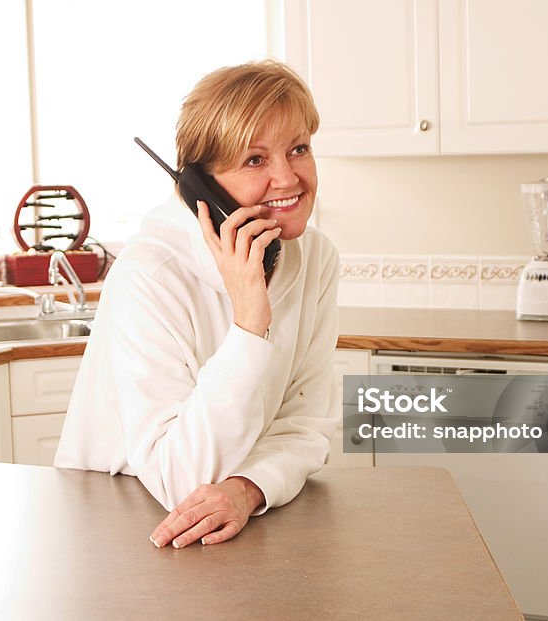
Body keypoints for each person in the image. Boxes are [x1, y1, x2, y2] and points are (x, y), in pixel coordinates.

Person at [53, 60, 339, 550]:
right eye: (255, 160)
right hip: (123, 530)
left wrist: (249, 489)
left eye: (298, 149)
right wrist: (250, 322)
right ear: (201, 186)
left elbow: (308, 423)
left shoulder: (313, 258)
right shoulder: (150, 274)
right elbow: (180, 480)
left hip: (234, 528)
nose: (287, 177)